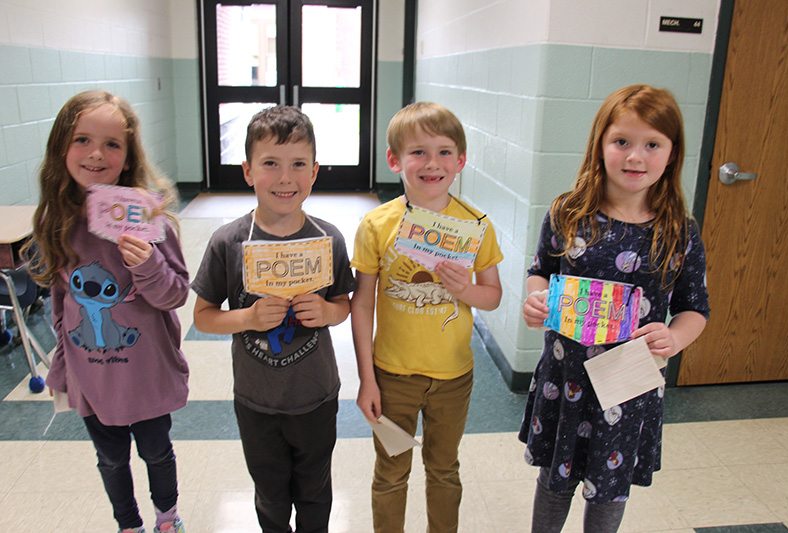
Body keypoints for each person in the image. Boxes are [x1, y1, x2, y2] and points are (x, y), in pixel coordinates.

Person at [519, 84, 710, 533]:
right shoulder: (567, 213)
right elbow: (541, 271)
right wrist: (537, 297)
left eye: (652, 145)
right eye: (621, 141)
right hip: (566, 379)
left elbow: (694, 307)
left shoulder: (679, 230)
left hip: (629, 385)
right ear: (600, 144)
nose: (635, 157)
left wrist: (676, 337)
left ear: (671, 153)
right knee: (555, 479)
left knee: (610, 485)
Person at [25, 90, 189, 533]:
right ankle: (128, 524)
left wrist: (147, 263)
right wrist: (63, 367)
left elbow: (175, 295)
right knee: (110, 458)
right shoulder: (56, 221)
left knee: (157, 451)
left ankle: (167, 517)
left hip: (146, 373)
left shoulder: (148, 218)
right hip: (92, 376)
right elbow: (62, 306)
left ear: (128, 155)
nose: (96, 153)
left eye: (112, 144)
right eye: (82, 140)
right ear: (62, 146)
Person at [191, 105, 355, 533]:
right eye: (270, 164)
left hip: (316, 396)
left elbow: (344, 303)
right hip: (255, 400)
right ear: (247, 171)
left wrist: (326, 312)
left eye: (298, 164)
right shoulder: (228, 241)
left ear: (315, 171)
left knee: (316, 492)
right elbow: (204, 317)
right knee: (269, 493)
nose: (286, 178)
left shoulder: (328, 238)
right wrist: (246, 317)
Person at [351, 101, 503, 533]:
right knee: (391, 472)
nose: (432, 163)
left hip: (453, 376)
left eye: (443, 152)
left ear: (460, 161)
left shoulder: (476, 225)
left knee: (443, 469)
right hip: (392, 374)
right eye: (418, 152)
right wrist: (367, 378)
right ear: (395, 160)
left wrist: (465, 289)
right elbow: (361, 303)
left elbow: (491, 296)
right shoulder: (377, 224)